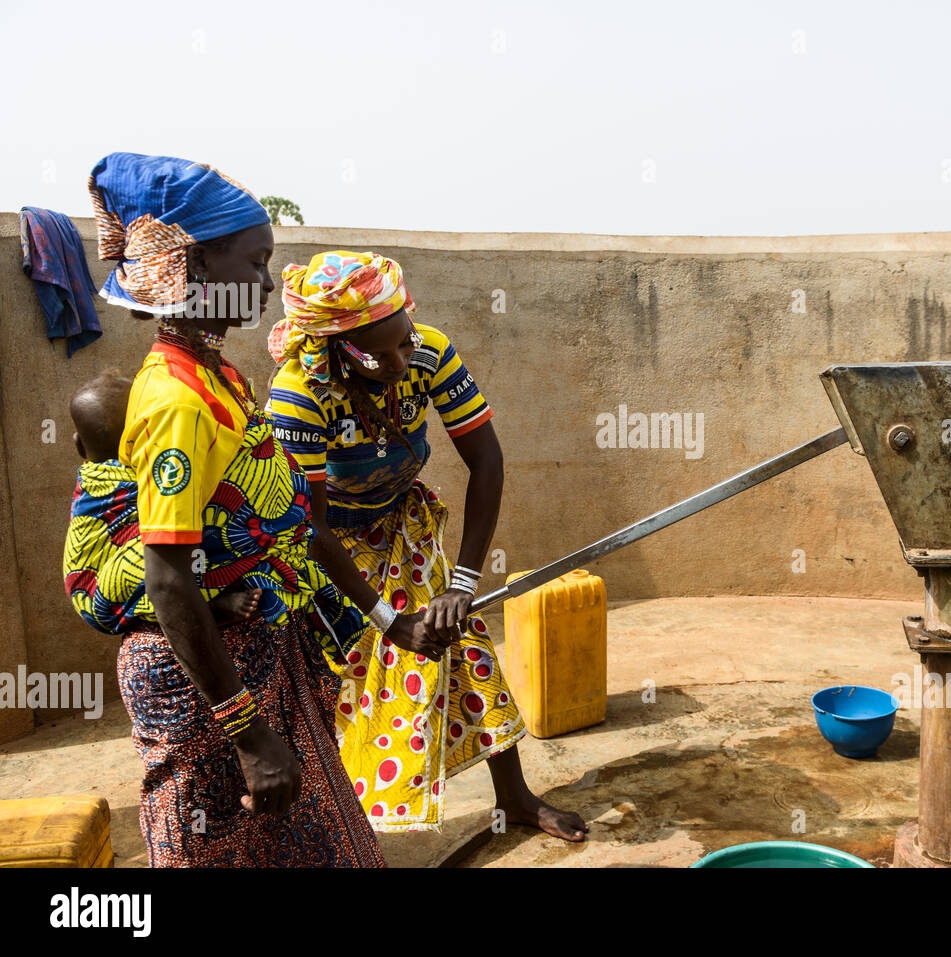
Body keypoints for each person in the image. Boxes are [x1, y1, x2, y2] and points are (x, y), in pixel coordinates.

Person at [83, 153, 393, 866]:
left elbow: (283, 519)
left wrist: (382, 617)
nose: (262, 283)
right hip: (209, 691)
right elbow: (168, 578)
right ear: (192, 262)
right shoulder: (177, 402)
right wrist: (248, 733)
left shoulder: (217, 375)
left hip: (252, 659)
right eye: (253, 263)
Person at [267, 250, 588, 840]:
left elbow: (485, 460)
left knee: (460, 641)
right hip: (332, 548)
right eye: (376, 353)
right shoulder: (297, 396)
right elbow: (308, 528)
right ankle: (338, 826)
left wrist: (461, 583)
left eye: (403, 342)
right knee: (353, 677)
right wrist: (388, 620)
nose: (397, 361)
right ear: (336, 347)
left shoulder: (431, 351)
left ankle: (514, 797)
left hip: (400, 521)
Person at [64, 370, 261, 631]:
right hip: (99, 591)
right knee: (168, 542)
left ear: (79, 447)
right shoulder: (122, 479)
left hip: (91, 585)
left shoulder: (93, 478)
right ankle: (211, 605)